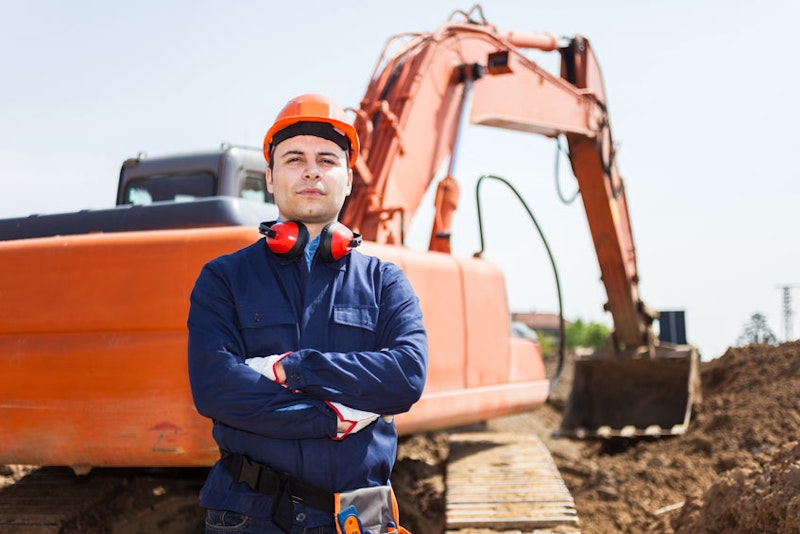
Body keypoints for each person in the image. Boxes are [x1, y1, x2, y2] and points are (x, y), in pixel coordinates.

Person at [188, 93, 428, 534]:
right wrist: (332, 417)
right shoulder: (223, 279)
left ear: (349, 179)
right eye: (294, 158)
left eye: (327, 159)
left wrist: (295, 368)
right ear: (270, 178)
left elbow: (406, 377)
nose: (312, 170)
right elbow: (216, 388)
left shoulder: (386, 282)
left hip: (360, 519)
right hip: (250, 516)